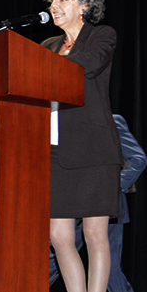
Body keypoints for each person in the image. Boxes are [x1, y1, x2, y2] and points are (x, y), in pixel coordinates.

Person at [42, 0, 124, 292]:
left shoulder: (101, 36)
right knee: (59, 236)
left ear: (83, 5)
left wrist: (44, 67)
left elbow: (87, 65)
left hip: (94, 148)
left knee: (94, 234)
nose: (54, 5)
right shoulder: (48, 46)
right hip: (55, 151)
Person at [50, 114, 146, 291]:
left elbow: (138, 159)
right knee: (49, 266)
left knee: (111, 276)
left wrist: (109, 190)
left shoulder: (111, 120)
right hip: (69, 206)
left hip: (104, 207)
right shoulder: (58, 123)